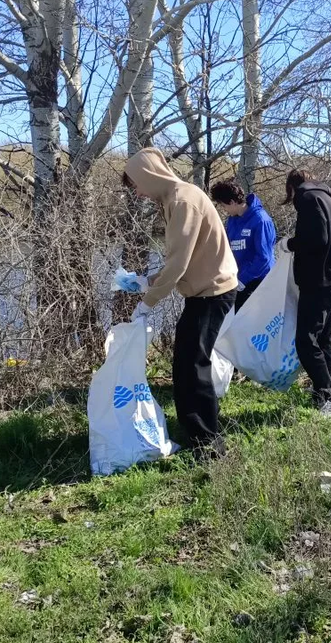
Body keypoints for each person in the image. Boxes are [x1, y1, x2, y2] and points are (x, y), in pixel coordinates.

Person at [122, 148, 239, 459]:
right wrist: (149, 280)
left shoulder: (183, 199)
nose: (139, 193)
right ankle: (199, 434)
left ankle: (209, 445)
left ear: (148, 174)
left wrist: (148, 302)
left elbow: (179, 264)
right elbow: (181, 258)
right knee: (187, 364)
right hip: (204, 291)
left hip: (211, 292)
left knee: (192, 366)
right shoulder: (175, 198)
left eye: (136, 185)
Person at [279, 169, 331, 419]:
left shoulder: (308, 199)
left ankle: (329, 398)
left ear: (292, 187)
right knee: (323, 339)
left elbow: (316, 239)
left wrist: (290, 244)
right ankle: (323, 392)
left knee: (306, 340)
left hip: (318, 280)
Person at [209, 179, 277, 311]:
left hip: (258, 282)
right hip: (237, 280)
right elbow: (227, 247)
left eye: (224, 206)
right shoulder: (233, 220)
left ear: (233, 202)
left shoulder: (261, 220)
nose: (224, 210)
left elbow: (264, 258)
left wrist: (243, 280)